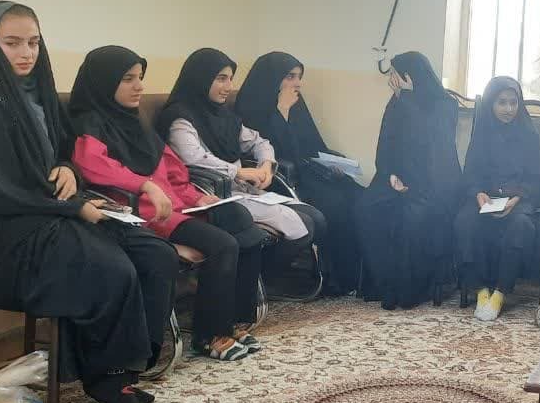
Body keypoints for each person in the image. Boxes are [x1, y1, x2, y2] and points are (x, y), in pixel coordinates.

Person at [0, 2, 175, 403]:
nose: (27, 53)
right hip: (2, 234)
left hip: (50, 211)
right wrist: (75, 209)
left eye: (33, 42)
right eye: (12, 43)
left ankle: (129, 366)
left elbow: (62, 151)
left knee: (155, 254)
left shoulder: (38, 94)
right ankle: (105, 377)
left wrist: (68, 168)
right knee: (110, 268)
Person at [70, 45, 269, 361]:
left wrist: (196, 196)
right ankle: (209, 335)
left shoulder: (136, 122)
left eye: (140, 77)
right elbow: (94, 166)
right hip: (145, 213)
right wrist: (144, 184)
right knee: (223, 244)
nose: (139, 86)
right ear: (104, 82)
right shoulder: (88, 123)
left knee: (244, 225)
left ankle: (234, 319)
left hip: (175, 206)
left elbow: (172, 172)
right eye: (128, 79)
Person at [157, 48, 321, 287]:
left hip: (241, 189)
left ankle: (260, 281)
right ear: (201, 78)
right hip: (212, 193)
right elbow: (193, 158)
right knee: (303, 226)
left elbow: (258, 141)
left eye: (230, 79)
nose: (228, 87)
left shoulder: (223, 115)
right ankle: (259, 282)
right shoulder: (179, 117)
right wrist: (239, 171)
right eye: (221, 79)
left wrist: (266, 165)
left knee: (314, 217)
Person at [234, 51, 364, 295]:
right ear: (272, 78)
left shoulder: (297, 104)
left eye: (299, 77)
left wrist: (331, 162)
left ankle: (354, 276)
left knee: (355, 193)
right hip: (280, 179)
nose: (297, 83)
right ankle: (331, 278)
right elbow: (278, 151)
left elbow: (311, 145)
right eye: (290, 76)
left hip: (307, 171)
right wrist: (281, 112)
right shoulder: (251, 106)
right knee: (334, 202)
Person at [354, 51, 461, 309]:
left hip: (433, 183)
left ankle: (409, 291)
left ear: (410, 76)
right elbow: (386, 143)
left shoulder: (446, 105)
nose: (391, 81)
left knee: (411, 217)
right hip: (396, 177)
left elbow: (432, 144)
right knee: (364, 209)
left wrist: (408, 99)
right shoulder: (396, 101)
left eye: (395, 75)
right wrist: (391, 173)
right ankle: (384, 285)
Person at [454, 76, 540, 320]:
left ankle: (500, 293)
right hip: (485, 199)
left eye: (513, 103)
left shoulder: (530, 135)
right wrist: (478, 193)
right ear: (491, 104)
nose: (508, 109)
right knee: (464, 221)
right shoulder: (482, 134)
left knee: (521, 225)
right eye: (502, 102)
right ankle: (481, 291)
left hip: (519, 200)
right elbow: (471, 173)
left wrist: (517, 197)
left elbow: (538, 179)